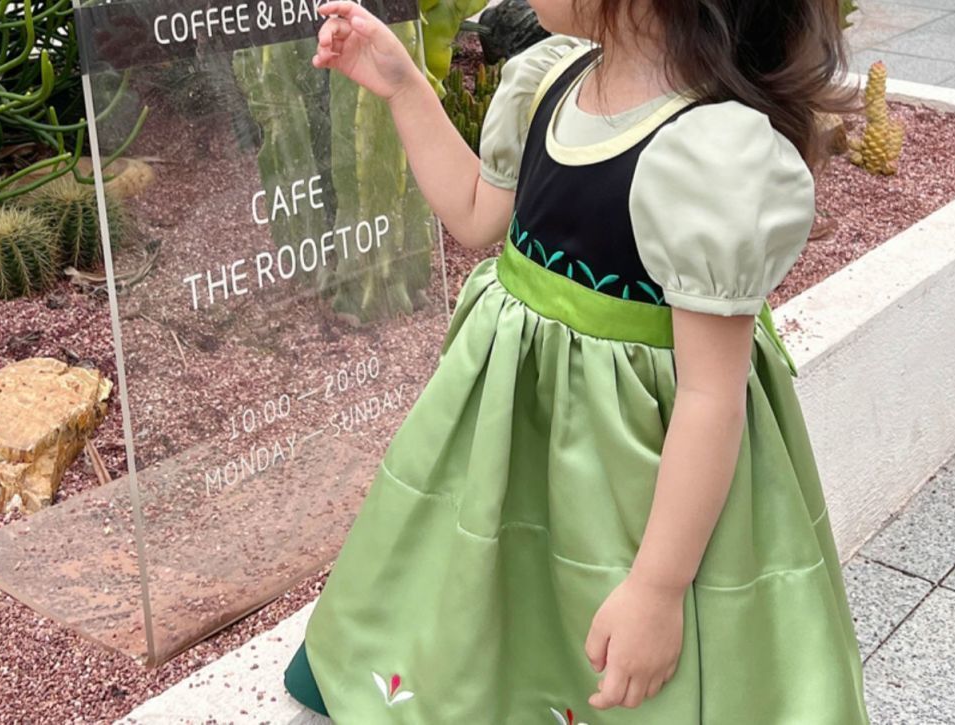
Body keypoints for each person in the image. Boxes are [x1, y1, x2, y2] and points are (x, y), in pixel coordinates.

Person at [283, 0, 870, 722]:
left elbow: (710, 398)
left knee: (600, 613)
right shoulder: (547, 82)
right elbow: (475, 213)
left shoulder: (708, 157)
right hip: (509, 438)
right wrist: (403, 86)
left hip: (628, 474)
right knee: (500, 583)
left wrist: (657, 589)